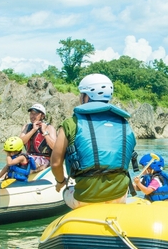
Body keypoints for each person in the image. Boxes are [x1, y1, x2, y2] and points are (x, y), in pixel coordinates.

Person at [51, 73, 136, 209]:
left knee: (67, 191)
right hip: (120, 196)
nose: (80, 98)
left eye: (81, 94)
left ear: (87, 97)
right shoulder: (124, 124)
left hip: (84, 198)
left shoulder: (71, 123)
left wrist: (60, 181)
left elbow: (55, 164)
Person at [20, 102, 56, 171]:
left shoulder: (49, 128)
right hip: (29, 157)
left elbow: (54, 146)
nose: (32, 116)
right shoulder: (26, 127)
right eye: (31, 113)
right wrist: (33, 130)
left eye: (35, 114)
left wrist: (44, 131)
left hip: (44, 159)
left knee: (32, 164)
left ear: (42, 116)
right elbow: (21, 142)